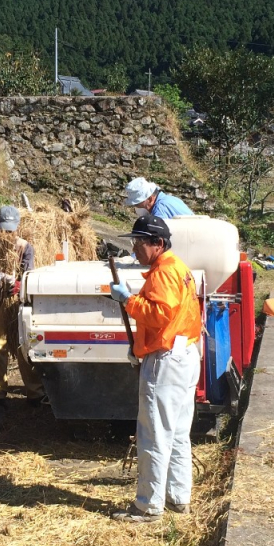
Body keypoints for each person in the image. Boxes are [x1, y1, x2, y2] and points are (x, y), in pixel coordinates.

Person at [108, 214, 202, 523]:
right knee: (176, 432)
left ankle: (148, 505)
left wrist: (129, 301)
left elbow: (160, 315)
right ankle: (178, 496)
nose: (134, 249)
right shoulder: (177, 268)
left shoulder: (163, 272)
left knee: (154, 434)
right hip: (185, 355)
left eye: (138, 242)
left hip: (166, 359)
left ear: (157, 243)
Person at [0, 205, 43, 402]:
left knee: (24, 345)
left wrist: (18, 285)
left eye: (10, 228)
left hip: (18, 303)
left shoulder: (25, 247)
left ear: (17, 226)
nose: (7, 233)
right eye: (4, 228)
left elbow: (28, 274)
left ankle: (35, 392)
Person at [123, 177, 194, 219]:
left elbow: (158, 235)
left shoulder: (160, 208)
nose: (136, 207)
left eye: (138, 204)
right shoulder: (170, 199)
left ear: (150, 199)